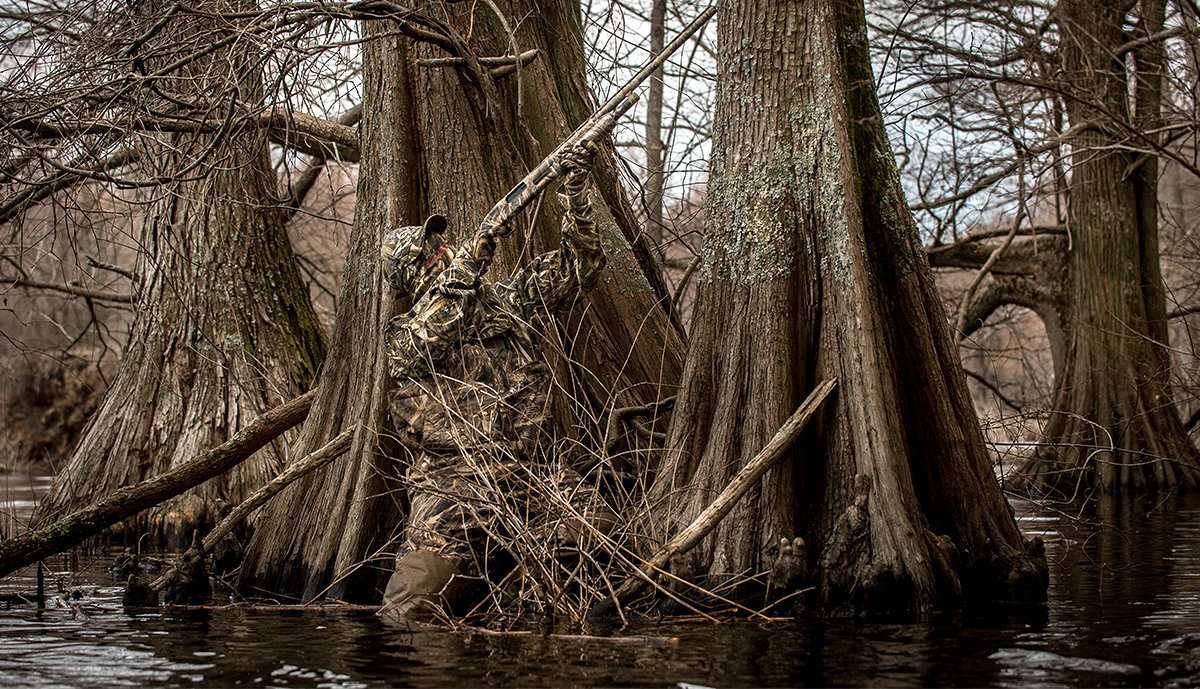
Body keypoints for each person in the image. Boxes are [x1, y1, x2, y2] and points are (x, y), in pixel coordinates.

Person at [377, 144, 614, 623]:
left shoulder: (506, 302)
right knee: (409, 612)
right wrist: (474, 257)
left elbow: (580, 268)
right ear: (412, 277)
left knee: (600, 542)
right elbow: (433, 332)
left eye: (443, 245)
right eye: (430, 255)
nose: (443, 251)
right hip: (452, 487)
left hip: (531, 474)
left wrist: (575, 194)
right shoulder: (405, 336)